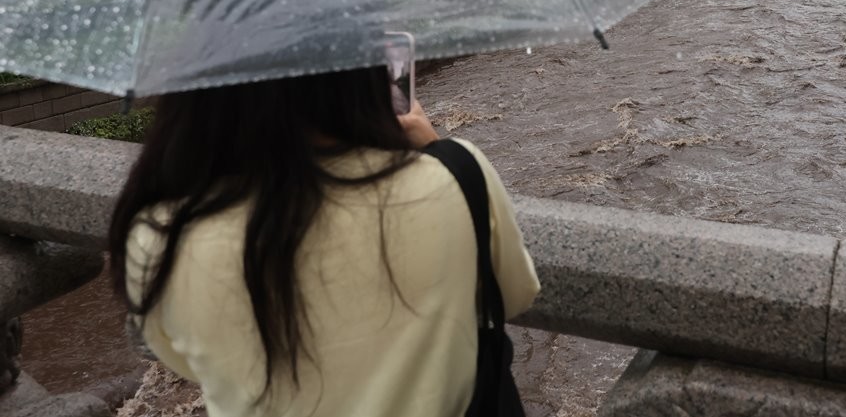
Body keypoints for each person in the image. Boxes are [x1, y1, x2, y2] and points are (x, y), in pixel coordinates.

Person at [108, 67, 540, 417]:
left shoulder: (158, 233)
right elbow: (514, 295)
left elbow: (182, 357)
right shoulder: (456, 178)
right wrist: (436, 148)